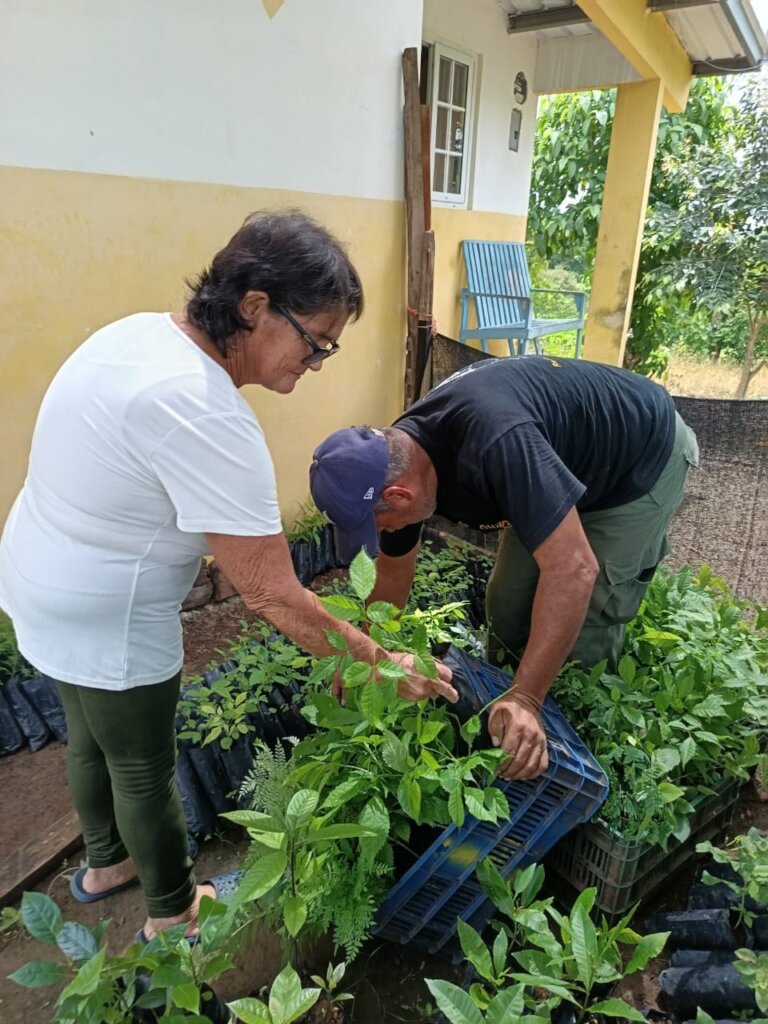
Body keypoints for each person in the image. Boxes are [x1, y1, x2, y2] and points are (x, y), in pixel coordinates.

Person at [0, 209, 455, 943]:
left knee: (88, 737)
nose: (313, 367)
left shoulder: (138, 333)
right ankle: (175, 914)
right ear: (254, 307)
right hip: (104, 606)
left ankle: (106, 865)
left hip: (35, 571)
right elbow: (274, 591)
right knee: (144, 764)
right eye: (314, 345)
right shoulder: (205, 410)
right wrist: (378, 665)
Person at [309, 355, 699, 783]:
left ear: (399, 497)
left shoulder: (495, 441)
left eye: (380, 524)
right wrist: (368, 654)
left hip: (636, 462)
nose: (386, 532)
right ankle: (504, 715)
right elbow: (394, 574)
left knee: (588, 618)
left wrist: (528, 698)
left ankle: (575, 743)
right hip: (552, 466)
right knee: (508, 601)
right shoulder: (401, 457)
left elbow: (574, 569)